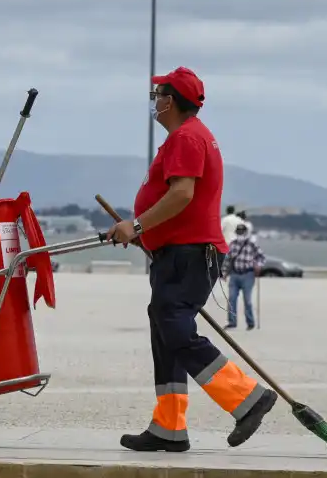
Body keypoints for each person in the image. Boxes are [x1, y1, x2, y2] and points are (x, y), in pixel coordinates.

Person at [105, 66, 277, 453]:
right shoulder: (189, 137)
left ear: (172, 101)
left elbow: (182, 194)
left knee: (175, 329)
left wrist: (137, 224)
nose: (155, 100)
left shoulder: (186, 137)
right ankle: (169, 426)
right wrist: (142, 232)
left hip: (189, 255)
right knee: (166, 331)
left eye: (159, 93)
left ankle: (246, 398)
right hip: (177, 253)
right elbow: (180, 201)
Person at [222, 223, 266, 330]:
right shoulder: (232, 244)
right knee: (231, 299)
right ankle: (232, 322)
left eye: (242, 232)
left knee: (247, 300)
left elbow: (261, 257)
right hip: (234, 274)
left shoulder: (252, 244)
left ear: (246, 233)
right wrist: (224, 273)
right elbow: (228, 260)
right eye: (239, 232)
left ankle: (250, 323)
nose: (240, 234)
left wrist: (258, 265)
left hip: (248, 274)